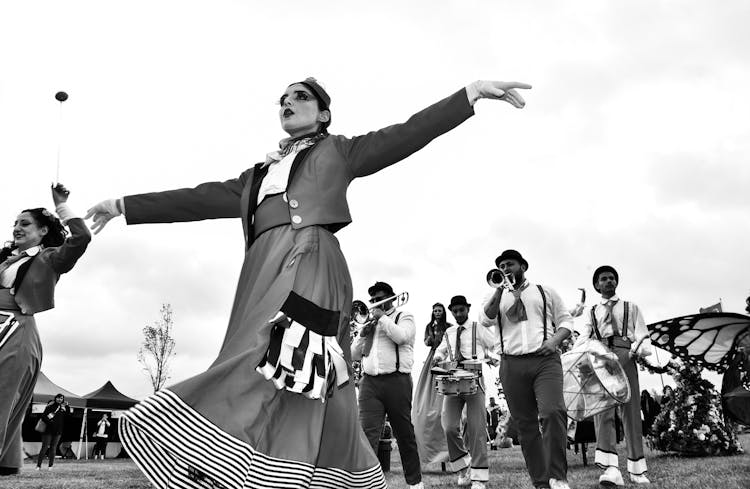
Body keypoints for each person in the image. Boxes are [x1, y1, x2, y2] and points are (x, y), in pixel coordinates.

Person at [86, 77, 530, 489]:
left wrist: (469, 93)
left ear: (323, 114)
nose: (288, 102)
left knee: (285, 356)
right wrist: (124, 205)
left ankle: (227, 454)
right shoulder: (256, 176)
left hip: (310, 260)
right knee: (279, 366)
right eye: (283, 99)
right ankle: (284, 468)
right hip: (259, 272)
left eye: (300, 97)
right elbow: (197, 197)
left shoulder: (339, 151)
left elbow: (406, 134)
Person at [0, 184, 90, 476]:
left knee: (1, 397)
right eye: (15, 223)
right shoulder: (5, 257)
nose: (17, 227)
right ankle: (8, 462)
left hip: (16, 331)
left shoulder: (50, 259)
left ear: (41, 231)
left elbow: (82, 239)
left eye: (24, 223)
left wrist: (62, 207)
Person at [479, 249, 573, 489]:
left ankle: (558, 477)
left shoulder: (544, 291)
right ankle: (541, 481)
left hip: (545, 361)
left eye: (510, 264)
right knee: (526, 425)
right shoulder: (495, 296)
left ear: (523, 266)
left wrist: (553, 342)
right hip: (511, 364)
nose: (506, 268)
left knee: (553, 412)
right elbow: (486, 320)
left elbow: (566, 322)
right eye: (501, 266)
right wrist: (500, 289)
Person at [575, 265, 652, 485]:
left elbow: (643, 335)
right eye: (603, 279)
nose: (608, 281)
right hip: (601, 357)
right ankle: (610, 469)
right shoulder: (592, 312)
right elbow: (585, 336)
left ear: (616, 282)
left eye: (611, 278)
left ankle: (637, 469)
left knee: (631, 409)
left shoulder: (631, 307)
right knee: (603, 411)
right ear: (596, 285)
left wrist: (639, 349)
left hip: (625, 355)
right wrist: (576, 355)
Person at [351, 281, 422, 488]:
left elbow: (402, 337)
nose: (374, 303)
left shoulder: (404, 317)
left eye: (379, 298)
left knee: (404, 434)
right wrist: (362, 335)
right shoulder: (369, 323)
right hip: (369, 383)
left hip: (397, 381)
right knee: (366, 435)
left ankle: (415, 483)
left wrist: (382, 318)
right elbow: (355, 355)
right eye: (372, 300)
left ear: (391, 298)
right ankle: (366, 483)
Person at [433, 295, 496, 489]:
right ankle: (463, 467)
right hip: (452, 379)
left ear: (467, 309)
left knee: (476, 428)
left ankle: (478, 479)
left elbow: (495, 345)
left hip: (474, 378)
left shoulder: (479, 328)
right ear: (451, 311)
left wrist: (490, 357)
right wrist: (437, 356)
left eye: (462, 310)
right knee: (449, 426)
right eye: (455, 311)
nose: (458, 313)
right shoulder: (449, 331)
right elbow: (441, 350)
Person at [412, 303, 451, 466]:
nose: (437, 313)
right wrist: (431, 336)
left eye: (439, 311)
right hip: (433, 358)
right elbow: (427, 343)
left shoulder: (449, 327)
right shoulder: (430, 326)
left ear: (443, 313)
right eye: (435, 310)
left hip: (446, 358)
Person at [37, 394, 70, 470]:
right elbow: (43, 417)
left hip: (58, 431)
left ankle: (50, 466)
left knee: (53, 448)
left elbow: (68, 415)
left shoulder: (63, 408)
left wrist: (67, 406)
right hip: (48, 431)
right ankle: (38, 466)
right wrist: (50, 422)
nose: (59, 399)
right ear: (55, 398)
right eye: (58, 398)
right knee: (44, 447)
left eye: (61, 398)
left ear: (63, 399)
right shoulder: (50, 406)